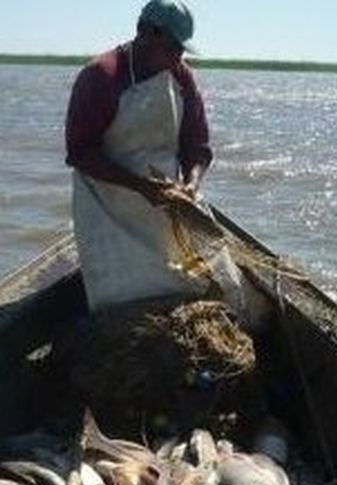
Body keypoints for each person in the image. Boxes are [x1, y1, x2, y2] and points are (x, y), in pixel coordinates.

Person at [65, 0, 245, 313]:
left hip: (168, 199)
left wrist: (190, 184)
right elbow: (81, 154)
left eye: (182, 50)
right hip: (108, 202)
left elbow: (197, 145)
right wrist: (140, 186)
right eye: (174, 46)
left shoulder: (181, 76)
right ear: (147, 33)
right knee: (123, 296)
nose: (179, 56)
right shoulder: (100, 77)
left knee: (221, 279)